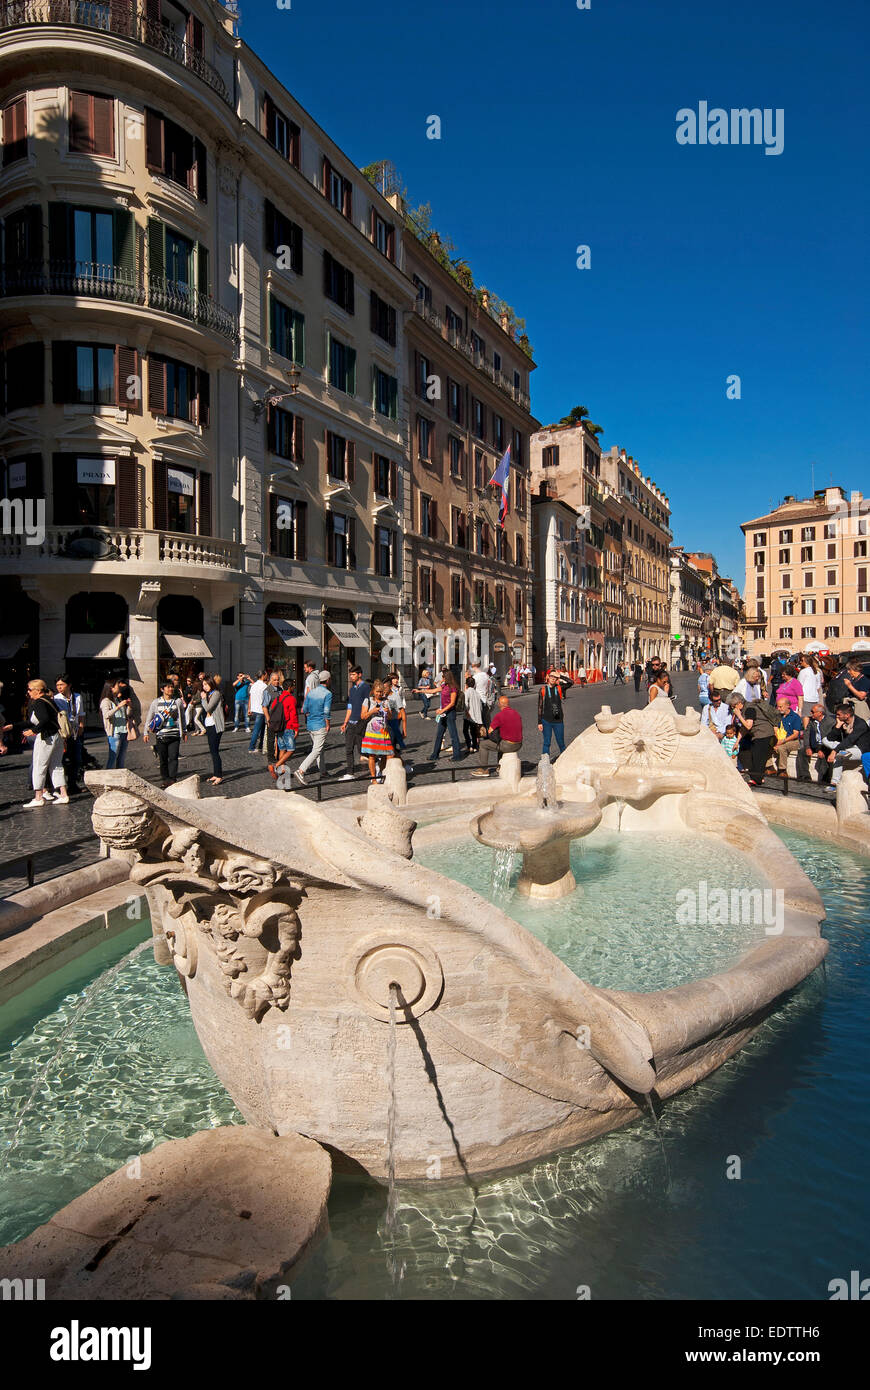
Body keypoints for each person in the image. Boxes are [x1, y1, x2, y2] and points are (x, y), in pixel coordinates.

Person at [21, 678, 69, 807]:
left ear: (37, 690)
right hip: (56, 736)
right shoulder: (49, 700)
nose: (28, 692)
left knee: (39, 766)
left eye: (30, 690)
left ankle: (38, 797)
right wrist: (13, 726)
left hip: (46, 737)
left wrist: (34, 731)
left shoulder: (38, 702)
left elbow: (44, 719)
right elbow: (36, 720)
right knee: (56, 765)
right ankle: (63, 794)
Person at [143, 681, 187, 788]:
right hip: (161, 735)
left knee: (173, 758)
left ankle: (172, 779)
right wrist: (146, 732)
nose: (170, 689)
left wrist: (184, 731)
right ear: (162, 689)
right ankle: (165, 779)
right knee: (163, 759)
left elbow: (182, 717)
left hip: (174, 735)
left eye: (172, 687)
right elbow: (150, 717)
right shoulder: (156, 702)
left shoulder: (177, 702)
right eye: (168, 687)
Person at [730, 695, 779, 786]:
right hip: (758, 735)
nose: (733, 709)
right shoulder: (746, 709)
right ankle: (759, 778)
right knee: (755, 755)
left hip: (763, 733)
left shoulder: (749, 709)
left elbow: (748, 726)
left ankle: (756, 779)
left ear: (739, 703)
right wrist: (737, 742)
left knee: (758, 757)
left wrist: (739, 715)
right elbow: (743, 728)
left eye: (733, 706)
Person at [821, 703, 870, 793]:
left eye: (839, 714)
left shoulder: (860, 724)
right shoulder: (843, 722)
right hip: (847, 746)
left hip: (860, 749)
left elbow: (850, 740)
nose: (837, 716)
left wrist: (835, 751)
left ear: (847, 715)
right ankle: (839, 750)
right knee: (825, 740)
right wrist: (837, 726)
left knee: (839, 755)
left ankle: (834, 784)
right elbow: (830, 738)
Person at [294, 671, 331, 785]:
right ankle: (301, 770)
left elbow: (304, 709)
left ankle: (323, 772)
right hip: (320, 725)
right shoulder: (327, 693)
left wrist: (310, 715)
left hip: (310, 725)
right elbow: (327, 711)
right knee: (316, 750)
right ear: (328, 680)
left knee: (320, 748)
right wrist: (328, 724)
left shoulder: (310, 693)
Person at [472, 694, 523, 777]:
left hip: (508, 745)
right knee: (501, 741)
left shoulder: (499, 716)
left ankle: (483, 769)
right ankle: (500, 767)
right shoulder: (516, 713)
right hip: (519, 744)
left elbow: (490, 730)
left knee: (483, 744)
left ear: (499, 704)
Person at [54, 674, 86, 792]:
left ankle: (73, 783)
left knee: (76, 758)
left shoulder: (77, 697)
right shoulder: (56, 699)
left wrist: (81, 725)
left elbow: (81, 713)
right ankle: (60, 787)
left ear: (69, 685)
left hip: (75, 730)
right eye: (57, 685)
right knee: (61, 759)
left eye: (61, 684)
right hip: (63, 731)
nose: (59, 687)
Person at [361, 678, 395, 783]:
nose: (379, 694)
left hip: (383, 731)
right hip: (372, 731)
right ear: (373, 691)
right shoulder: (368, 700)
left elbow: (390, 717)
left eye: (381, 692)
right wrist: (372, 711)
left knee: (385, 754)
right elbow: (363, 716)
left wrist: (388, 711)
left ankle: (380, 772)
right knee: (372, 754)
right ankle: (373, 778)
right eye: (377, 691)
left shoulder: (386, 701)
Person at [341, 666, 371, 780]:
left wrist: (365, 718)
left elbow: (368, 704)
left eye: (353, 674)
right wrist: (345, 722)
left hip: (361, 722)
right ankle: (350, 772)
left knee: (361, 749)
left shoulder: (366, 687)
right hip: (351, 723)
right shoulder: (352, 689)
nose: (351, 676)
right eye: (350, 674)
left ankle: (376, 763)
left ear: (359, 674)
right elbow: (350, 706)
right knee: (348, 748)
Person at [267, 682, 300, 788]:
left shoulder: (277, 699)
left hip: (279, 727)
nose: (294, 688)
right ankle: (276, 766)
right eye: (293, 686)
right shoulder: (291, 699)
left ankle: (282, 771)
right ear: (290, 687)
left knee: (282, 749)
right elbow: (293, 714)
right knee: (291, 750)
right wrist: (296, 728)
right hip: (288, 726)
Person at [796, 703, 836, 783]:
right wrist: (807, 747)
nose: (811, 713)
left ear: (820, 713)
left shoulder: (830, 722)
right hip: (815, 744)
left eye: (813, 712)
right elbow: (806, 734)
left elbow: (830, 738)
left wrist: (823, 750)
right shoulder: (812, 721)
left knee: (823, 757)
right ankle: (804, 776)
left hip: (826, 746)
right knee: (801, 752)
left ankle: (824, 780)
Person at [431, 669, 463, 762]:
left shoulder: (453, 688)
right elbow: (433, 690)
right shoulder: (444, 686)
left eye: (443, 677)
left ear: (447, 677)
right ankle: (435, 755)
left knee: (453, 735)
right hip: (444, 714)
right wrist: (419, 691)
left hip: (450, 713)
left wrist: (442, 710)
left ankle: (457, 756)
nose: (442, 678)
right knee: (439, 734)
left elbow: (452, 703)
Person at [772, 694, 802, 791]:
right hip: (780, 739)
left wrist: (783, 741)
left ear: (787, 705)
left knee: (782, 748)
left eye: (781, 706)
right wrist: (777, 741)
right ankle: (769, 767)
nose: (778, 708)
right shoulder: (777, 716)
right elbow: (775, 729)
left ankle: (782, 769)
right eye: (778, 706)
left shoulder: (795, 717)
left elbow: (795, 734)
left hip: (791, 741)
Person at [100, 677, 131, 770]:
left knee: (121, 758)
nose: (119, 687)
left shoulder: (117, 699)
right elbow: (106, 715)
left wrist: (129, 707)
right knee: (113, 757)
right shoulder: (106, 701)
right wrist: (118, 707)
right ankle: (108, 778)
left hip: (124, 731)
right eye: (117, 686)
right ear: (111, 688)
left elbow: (126, 715)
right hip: (114, 732)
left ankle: (120, 778)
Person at [200, 674, 225, 784]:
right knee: (212, 751)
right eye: (203, 685)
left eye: (206, 684)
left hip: (216, 725)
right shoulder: (209, 694)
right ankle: (215, 774)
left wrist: (204, 699)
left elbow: (208, 708)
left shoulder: (216, 693)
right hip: (209, 725)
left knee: (215, 751)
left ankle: (219, 775)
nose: (204, 687)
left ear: (211, 683)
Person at [537, 671, 566, 759]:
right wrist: (539, 722)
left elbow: (571, 682)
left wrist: (560, 676)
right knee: (547, 743)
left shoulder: (559, 688)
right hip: (546, 721)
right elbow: (540, 706)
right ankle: (545, 762)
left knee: (561, 743)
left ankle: (565, 761)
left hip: (558, 720)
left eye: (555, 677)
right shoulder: (543, 689)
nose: (553, 678)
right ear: (548, 677)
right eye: (551, 676)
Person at [261, 670, 283, 762]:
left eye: (277, 680)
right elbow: (264, 706)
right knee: (271, 739)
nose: (276, 682)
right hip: (272, 718)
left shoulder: (280, 690)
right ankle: (270, 757)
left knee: (280, 738)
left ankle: (278, 755)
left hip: (280, 718)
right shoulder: (267, 691)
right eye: (274, 680)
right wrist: (268, 719)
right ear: (271, 680)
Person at [385, 672, 408, 754]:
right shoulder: (387, 688)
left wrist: (403, 708)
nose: (396, 680)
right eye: (394, 679)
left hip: (399, 710)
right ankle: (393, 746)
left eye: (397, 679)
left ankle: (394, 746)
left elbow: (403, 699)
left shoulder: (400, 689)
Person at [463, 675, 486, 754]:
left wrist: (466, 712)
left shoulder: (467, 692)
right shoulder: (476, 693)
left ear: (466, 684)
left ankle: (469, 746)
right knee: (473, 732)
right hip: (476, 716)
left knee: (465, 731)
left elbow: (466, 704)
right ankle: (475, 746)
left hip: (469, 715)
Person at [248, 671, 268, 753]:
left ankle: (260, 746)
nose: (267, 676)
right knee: (257, 730)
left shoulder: (254, 685)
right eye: (266, 675)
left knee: (262, 729)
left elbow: (250, 697)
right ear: (263, 676)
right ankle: (251, 747)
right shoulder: (264, 686)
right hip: (261, 710)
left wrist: (249, 708)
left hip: (254, 709)